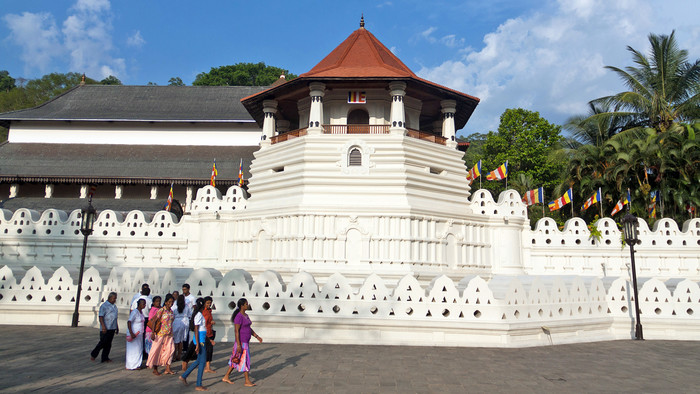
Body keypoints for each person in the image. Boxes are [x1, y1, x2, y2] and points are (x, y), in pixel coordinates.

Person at [222, 298, 262, 387]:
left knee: (236, 359)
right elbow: (236, 331)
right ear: (242, 306)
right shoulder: (239, 317)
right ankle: (247, 380)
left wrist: (256, 336)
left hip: (246, 342)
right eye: (246, 304)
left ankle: (226, 376)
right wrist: (239, 344)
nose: (247, 305)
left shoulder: (246, 316)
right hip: (241, 342)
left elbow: (248, 328)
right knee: (245, 360)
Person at [180, 298, 208, 391]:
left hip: (200, 339)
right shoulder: (199, 315)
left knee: (198, 361)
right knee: (202, 362)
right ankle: (198, 384)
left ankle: (184, 375)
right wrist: (197, 344)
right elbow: (196, 329)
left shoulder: (198, 314)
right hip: (200, 341)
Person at [146, 293, 176, 375]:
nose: (171, 303)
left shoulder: (171, 311)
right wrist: (153, 333)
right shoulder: (161, 310)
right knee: (157, 350)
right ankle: (155, 368)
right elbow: (155, 320)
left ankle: (168, 368)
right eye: (169, 302)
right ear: (166, 302)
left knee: (171, 350)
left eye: (172, 302)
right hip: (160, 334)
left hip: (169, 334)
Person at [90, 292, 119, 363]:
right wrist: (103, 326)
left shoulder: (114, 306)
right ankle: (94, 354)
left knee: (108, 344)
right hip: (106, 327)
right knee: (103, 342)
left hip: (112, 327)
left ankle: (105, 357)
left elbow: (115, 317)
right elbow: (101, 317)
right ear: (110, 298)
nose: (115, 300)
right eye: (114, 298)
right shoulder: (104, 306)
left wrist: (116, 327)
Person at [126, 298, 146, 370]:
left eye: (145, 304)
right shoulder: (135, 312)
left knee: (139, 349)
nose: (144, 305)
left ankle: (137, 364)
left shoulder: (141, 312)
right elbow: (129, 322)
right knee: (133, 350)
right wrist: (131, 333)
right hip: (134, 334)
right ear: (139, 304)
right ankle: (131, 365)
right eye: (143, 303)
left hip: (140, 334)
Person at [171, 294, 190, 361]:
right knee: (181, 340)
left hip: (176, 322)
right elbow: (189, 315)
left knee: (175, 341)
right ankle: (179, 355)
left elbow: (172, 314)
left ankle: (174, 356)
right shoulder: (187, 306)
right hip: (184, 323)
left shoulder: (174, 306)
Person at [201, 296, 217, 373]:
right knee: (206, 350)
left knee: (209, 350)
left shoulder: (209, 310)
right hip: (205, 333)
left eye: (210, 303)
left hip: (210, 332)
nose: (209, 304)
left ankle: (207, 366)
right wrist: (210, 322)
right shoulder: (203, 312)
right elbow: (204, 322)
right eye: (207, 303)